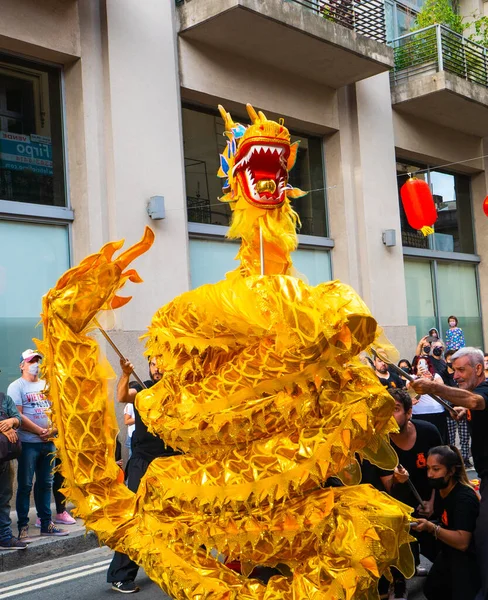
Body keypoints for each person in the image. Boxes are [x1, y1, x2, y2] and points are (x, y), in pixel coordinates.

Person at [409, 347, 488, 600]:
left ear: (478, 369)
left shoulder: (483, 391)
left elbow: (475, 400)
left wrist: (433, 388)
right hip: (485, 478)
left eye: (462, 370)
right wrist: (466, 412)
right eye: (454, 371)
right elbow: (473, 405)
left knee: (483, 538)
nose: (456, 376)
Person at [107, 356, 180, 594]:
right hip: (144, 461)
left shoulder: (181, 390)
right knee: (136, 516)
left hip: (174, 461)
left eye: (162, 363)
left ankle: (184, 568)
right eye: (153, 364)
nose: (157, 368)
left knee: (180, 517)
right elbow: (121, 397)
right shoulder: (142, 387)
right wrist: (126, 373)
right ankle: (120, 575)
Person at [376, 388, 443, 599]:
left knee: (443, 563)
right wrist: (398, 480)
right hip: (398, 506)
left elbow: (443, 472)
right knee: (395, 533)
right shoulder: (381, 443)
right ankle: (399, 581)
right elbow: (390, 490)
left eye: (395, 409)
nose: (390, 416)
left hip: (429, 502)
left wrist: (433, 502)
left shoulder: (429, 431)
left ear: (409, 412)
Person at [7, 349, 69, 541]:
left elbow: (57, 410)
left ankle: (46, 523)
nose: (35, 364)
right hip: (28, 444)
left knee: (46, 484)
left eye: (37, 360)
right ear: (22, 365)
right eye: (31, 361)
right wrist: (38, 431)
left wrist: (52, 430)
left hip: (48, 442)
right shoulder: (16, 387)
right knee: (25, 485)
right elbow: (17, 415)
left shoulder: (46, 385)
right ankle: (23, 526)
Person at [412, 445, 480, 600]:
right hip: (449, 551)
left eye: (436, 469)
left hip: (468, 557)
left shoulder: (464, 499)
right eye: (428, 468)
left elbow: (463, 542)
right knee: (432, 589)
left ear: (451, 471)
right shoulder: (442, 490)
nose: (430, 474)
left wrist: (431, 527)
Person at [0, 390, 26, 549]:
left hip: (3, 459)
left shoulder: (4, 398)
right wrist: (2, 428)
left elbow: (18, 419)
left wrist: (11, 422)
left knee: (4, 497)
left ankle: (4, 536)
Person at [411, 357, 448, 444]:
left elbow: (443, 390)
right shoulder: (412, 377)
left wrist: (431, 381)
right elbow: (412, 395)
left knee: (439, 439)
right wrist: (418, 378)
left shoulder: (435, 376)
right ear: (416, 366)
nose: (422, 366)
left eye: (425, 364)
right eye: (419, 364)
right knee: (422, 440)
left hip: (437, 411)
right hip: (419, 413)